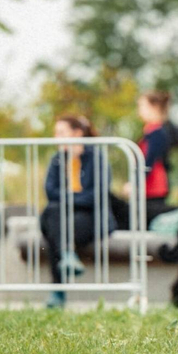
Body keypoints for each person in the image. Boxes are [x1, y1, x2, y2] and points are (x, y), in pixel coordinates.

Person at [40, 115, 117, 308]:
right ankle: (67, 255)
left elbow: (96, 195)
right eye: (56, 133)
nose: (57, 138)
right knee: (53, 213)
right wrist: (72, 198)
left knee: (56, 228)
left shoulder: (97, 157)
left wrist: (66, 197)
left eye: (62, 133)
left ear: (77, 134)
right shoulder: (57, 159)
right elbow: (49, 191)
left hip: (90, 217)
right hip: (61, 215)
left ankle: (58, 292)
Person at [113, 90, 177, 229]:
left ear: (153, 107)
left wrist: (135, 183)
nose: (139, 111)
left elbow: (149, 161)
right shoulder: (150, 132)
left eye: (142, 106)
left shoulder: (158, 133)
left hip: (153, 188)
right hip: (147, 187)